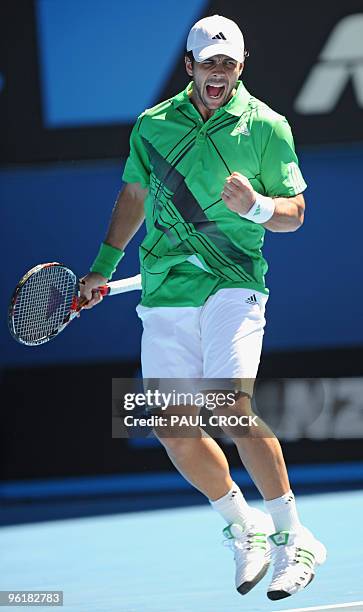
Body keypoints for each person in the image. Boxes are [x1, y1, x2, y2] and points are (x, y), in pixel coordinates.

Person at [81, 14, 326, 601]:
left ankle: (296, 539)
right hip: (165, 289)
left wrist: (257, 207)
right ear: (189, 66)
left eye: (228, 63)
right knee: (171, 425)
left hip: (234, 282)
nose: (218, 72)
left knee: (228, 408)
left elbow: (295, 212)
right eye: (207, 62)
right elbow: (135, 195)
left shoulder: (268, 127)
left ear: (241, 67)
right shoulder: (152, 126)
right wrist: (102, 265)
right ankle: (246, 528)